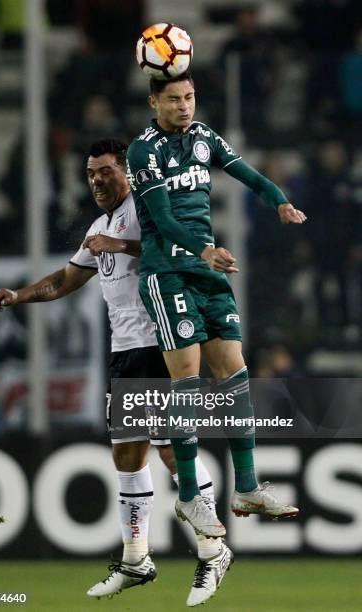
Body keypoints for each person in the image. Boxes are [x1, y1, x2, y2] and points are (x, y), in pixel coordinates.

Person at [0, 139, 220, 602]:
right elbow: (64, 280)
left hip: (161, 341)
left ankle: (212, 549)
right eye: (91, 173)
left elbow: (178, 247)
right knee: (128, 458)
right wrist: (20, 296)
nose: (96, 180)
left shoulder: (146, 209)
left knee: (173, 451)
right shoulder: (99, 225)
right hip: (125, 353)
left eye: (106, 171)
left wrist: (116, 244)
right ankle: (137, 559)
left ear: (127, 173)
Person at [126, 71, 305, 606]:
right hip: (168, 272)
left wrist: (278, 200)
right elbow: (160, 217)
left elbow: (248, 174)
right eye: (174, 99)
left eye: (189, 97)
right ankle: (188, 496)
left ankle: (247, 488)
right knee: (188, 377)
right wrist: (204, 251)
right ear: (154, 101)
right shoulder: (144, 151)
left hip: (206, 272)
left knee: (233, 369)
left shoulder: (204, 137)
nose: (184, 106)